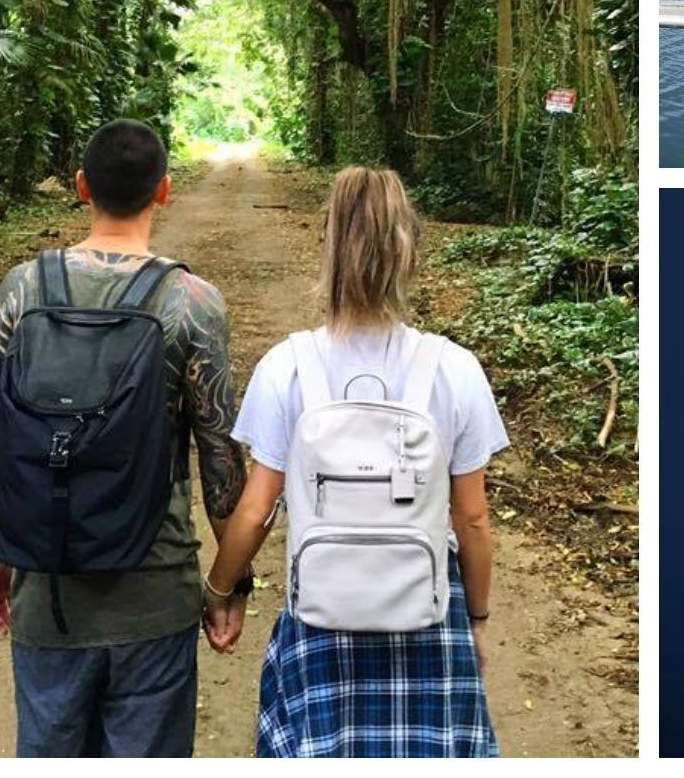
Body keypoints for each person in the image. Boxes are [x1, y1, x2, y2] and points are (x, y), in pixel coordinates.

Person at [201, 166, 509, 758]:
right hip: (428, 612)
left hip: (321, 616)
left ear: (330, 248)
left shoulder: (288, 367)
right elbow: (471, 520)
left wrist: (222, 590)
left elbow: (258, 508)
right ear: (409, 249)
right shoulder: (453, 369)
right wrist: (478, 618)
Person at [0, 119, 248, 757]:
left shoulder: (23, 290)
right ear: (164, 192)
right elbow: (219, 459)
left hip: (47, 584)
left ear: (79, 186)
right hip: (154, 595)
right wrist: (229, 584)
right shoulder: (194, 302)